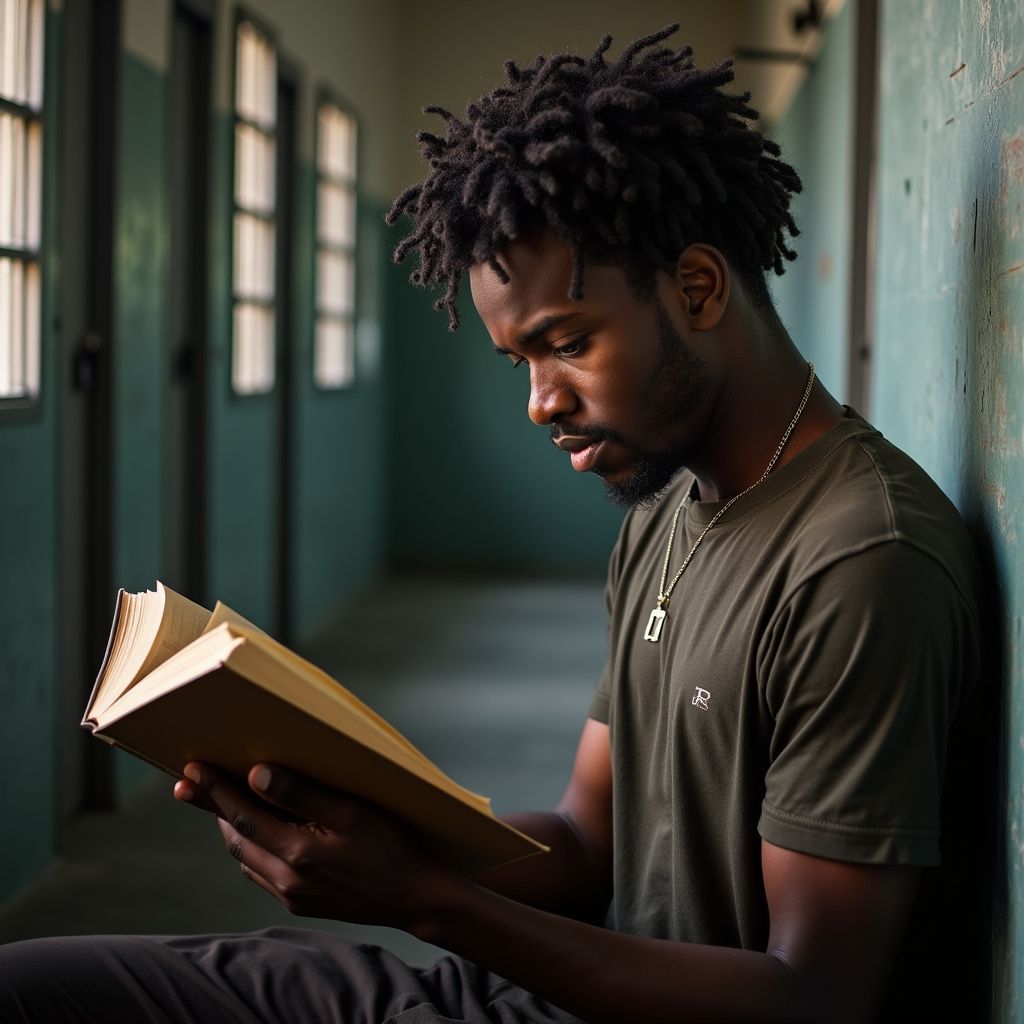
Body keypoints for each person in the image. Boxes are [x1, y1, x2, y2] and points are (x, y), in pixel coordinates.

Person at [0, 24, 982, 1024]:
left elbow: (809, 1000)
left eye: (566, 344)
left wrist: (427, 903)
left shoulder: (861, 560)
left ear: (695, 288)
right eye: (521, 362)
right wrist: (369, 837)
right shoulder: (670, 510)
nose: (539, 402)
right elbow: (586, 841)